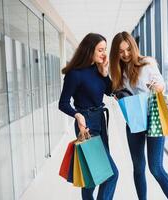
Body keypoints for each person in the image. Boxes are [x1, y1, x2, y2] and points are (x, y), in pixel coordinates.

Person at [109, 31, 168, 200]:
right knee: (138, 167)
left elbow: (161, 83)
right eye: (120, 51)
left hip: (153, 117)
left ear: (133, 47)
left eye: (128, 49)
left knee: (156, 168)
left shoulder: (146, 64)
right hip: (134, 119)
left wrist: (157, 86)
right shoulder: (116, 72)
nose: (125, 54)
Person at [59, 33, 118, 200]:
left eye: (105, 50)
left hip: (99, 121)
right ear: (89, 50)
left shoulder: (99, 69)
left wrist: (105, 73)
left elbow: (111, 91)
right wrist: (77, 115)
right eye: (100, 50)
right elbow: (63, 103)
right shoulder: (75, 74)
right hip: (86, 124)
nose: (104, 53)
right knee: (111, 174)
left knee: (91, 177)